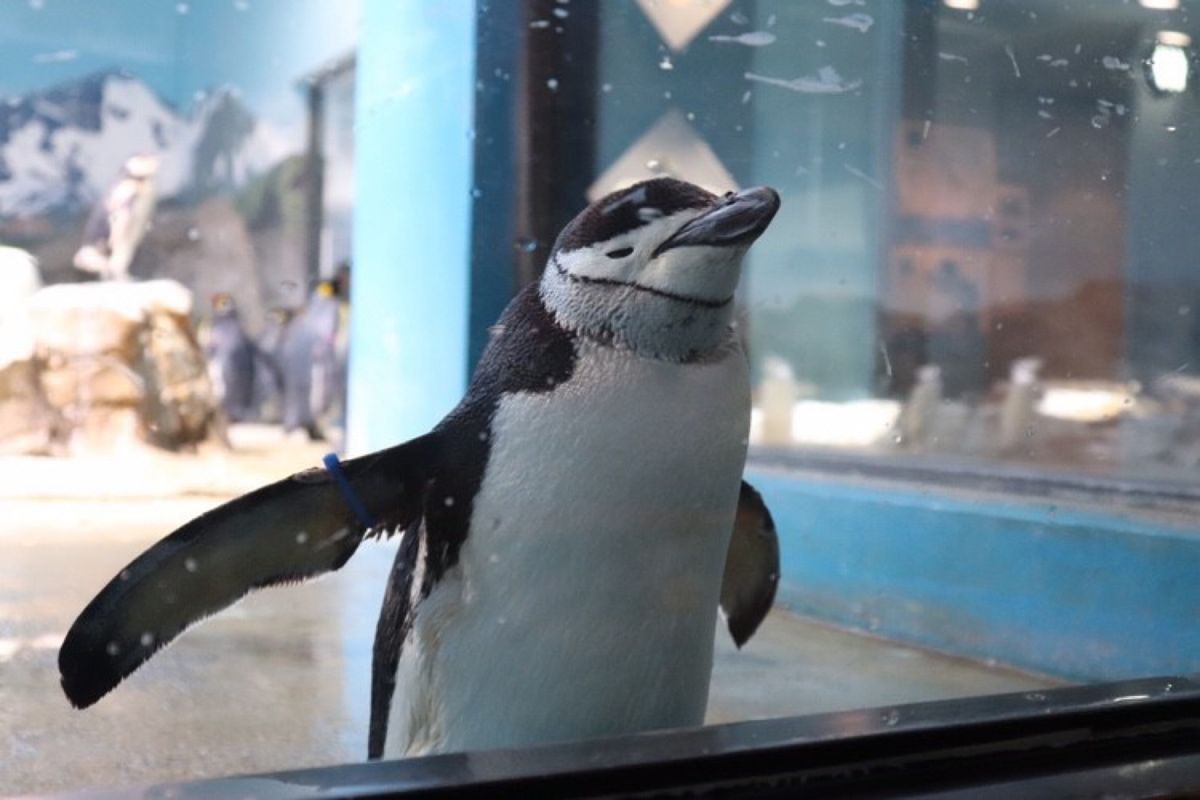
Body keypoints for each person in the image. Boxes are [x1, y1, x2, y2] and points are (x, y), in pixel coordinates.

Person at [73, 154, 159, 281]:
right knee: (116, 259)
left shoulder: (136, 188)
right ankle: (115, 274)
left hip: (109, 245)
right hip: (104, 243)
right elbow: (120, 217)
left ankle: (115, 273)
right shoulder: (127, 190)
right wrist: (115, 239)